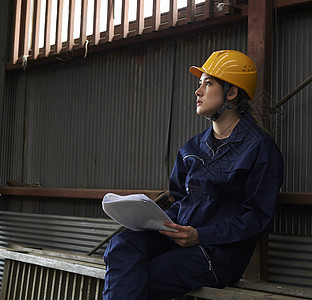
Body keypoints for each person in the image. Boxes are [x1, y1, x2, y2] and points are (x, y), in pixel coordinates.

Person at [103, 50, 284, 300]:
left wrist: (201, 235)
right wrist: (155, 221)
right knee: (121, 247)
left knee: (145, 275)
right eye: (200, 84)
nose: (198, 92)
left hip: (218, 254)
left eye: (208, 83)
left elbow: (258, 218)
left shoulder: (260, 148)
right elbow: (179, 199)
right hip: (180, 237)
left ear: (231, 93)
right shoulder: (192, 148)